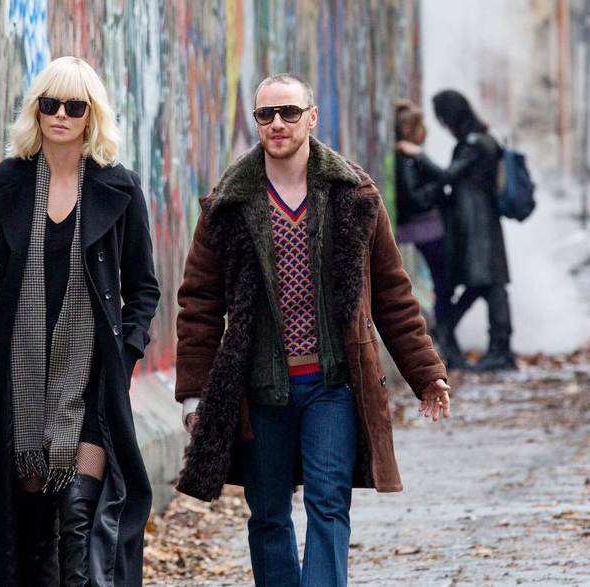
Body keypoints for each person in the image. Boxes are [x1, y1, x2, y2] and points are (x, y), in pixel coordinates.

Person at [174, 73, 451, 587]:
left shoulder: (353, 194)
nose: (277, 124)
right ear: (256, 122)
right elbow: (199, 306)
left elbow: (392, 293)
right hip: (260, 388)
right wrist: (194, 394)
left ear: (312, 117)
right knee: (268, 514)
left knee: (328, 504)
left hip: (332, 384)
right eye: (266, 115)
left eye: (289, 112)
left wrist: (425, 372)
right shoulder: (227, 205)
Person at [0, 56, 160, 587]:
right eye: (50, 104)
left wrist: (125, 355)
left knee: (78, 520)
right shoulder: (4, 183)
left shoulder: (120, 188)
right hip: (20, 388)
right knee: (32, 533)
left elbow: (144, 288)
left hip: (91, 385)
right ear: (36, 111)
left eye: (74, 106)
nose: (61, 115)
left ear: (92, 115)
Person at [418, 89, 514, 372]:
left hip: (474, 226)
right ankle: (497, 348)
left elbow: (449, 175)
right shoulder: (485, 139)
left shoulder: (472, 144)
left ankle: (456, 334)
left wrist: (418, 157)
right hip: (483, 223)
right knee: (489, 286)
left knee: (487, 286)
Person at [393, 100, 461, 367]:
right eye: (422, 127)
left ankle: (448, 343)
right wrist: (436, 189)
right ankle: (448, 345)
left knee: (442, 287)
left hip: (424, 229)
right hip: (424, 230)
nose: (426, 132)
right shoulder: (409, 159)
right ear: (411, 130)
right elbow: (419, 197)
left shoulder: (409, 157)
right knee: (443, 287)